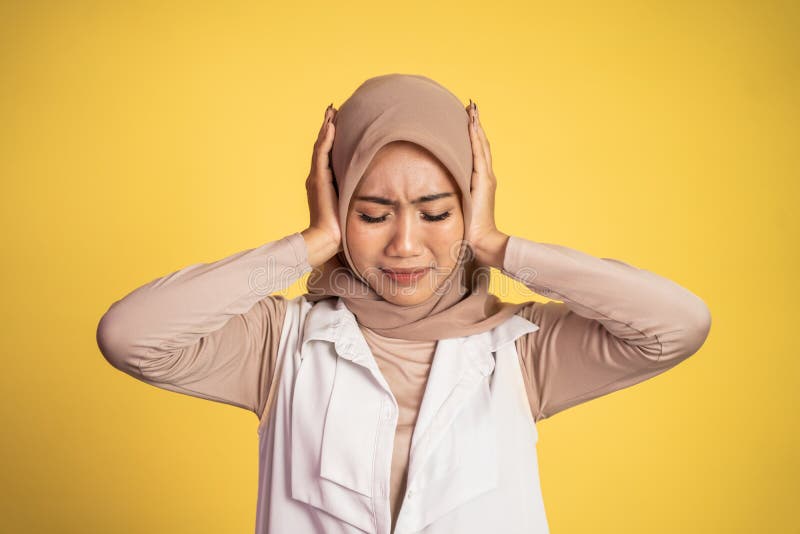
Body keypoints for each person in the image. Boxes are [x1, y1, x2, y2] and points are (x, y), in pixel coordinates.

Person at [96, 74, 712, 534]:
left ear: (470, 206)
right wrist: (310, 245)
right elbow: (130, 335)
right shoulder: (279, 345)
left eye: (438, 212)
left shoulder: (522, 351)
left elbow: (677, 325)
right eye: (370, 214)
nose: (405, 245)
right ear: (336, 205)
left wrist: (499, 247)